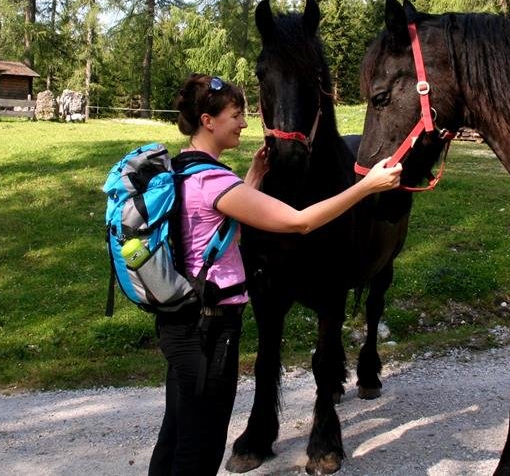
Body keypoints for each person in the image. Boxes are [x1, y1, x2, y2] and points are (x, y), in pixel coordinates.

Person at [148, 73, 402, 476]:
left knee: (176, 430)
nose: (245, 124)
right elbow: (299, 222)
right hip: (211, 331)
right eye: (236, 114)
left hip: (181, 323)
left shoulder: (182, 169)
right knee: (201, 445)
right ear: (208, 121)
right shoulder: (214, 180)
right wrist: (365, 186)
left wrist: (252, 179)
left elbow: (217, 219)